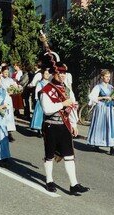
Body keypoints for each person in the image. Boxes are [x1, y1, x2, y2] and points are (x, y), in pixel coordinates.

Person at [40, 63, 89, 195]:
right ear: (53, 74)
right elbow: (47, 109)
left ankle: (74, 184)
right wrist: (62, 103)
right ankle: (49, 181)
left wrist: (74, 124)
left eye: (63, 73)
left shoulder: (67, 90)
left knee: (69, 156)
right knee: (49, 155)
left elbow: (72, 107)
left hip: (64, 126)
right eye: (59, 73)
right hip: (51, 126)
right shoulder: (46, 90)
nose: (61, 75)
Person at [87, 69, 114, 155]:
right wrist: (103, 98)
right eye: (106, 76)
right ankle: (96, 144)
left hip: (109, 109)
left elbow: (113, 98)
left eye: (109, 76)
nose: (108, 78)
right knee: (99, 126)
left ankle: (112, 147)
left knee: (110, 126)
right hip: (101, 108)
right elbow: (92, 97)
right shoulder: (98, 87)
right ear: (102, 77)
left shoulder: (111, 87)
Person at [30, 69, 50, 136]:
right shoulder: (40, 83)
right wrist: (37, 99)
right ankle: (39, 130)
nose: (47, 75)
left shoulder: (50, 83)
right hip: (41, 101)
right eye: (45, 74)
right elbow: (37, 92)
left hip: (48, 102)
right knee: (40, 116)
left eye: (48, 74)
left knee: (46, 117)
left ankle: (45, 130)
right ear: (42, 75)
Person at [0, 66, 17, 141]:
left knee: (9, 115)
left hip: (8, 99)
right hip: (1, 98)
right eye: (5, 72)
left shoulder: (11, 80)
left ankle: (9, 132)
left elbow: (16, 87)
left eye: (7, 72)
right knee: (2, 114)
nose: (6, 74)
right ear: (2, 72)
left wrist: (14, 90)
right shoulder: (0, 80)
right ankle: (1, 131)